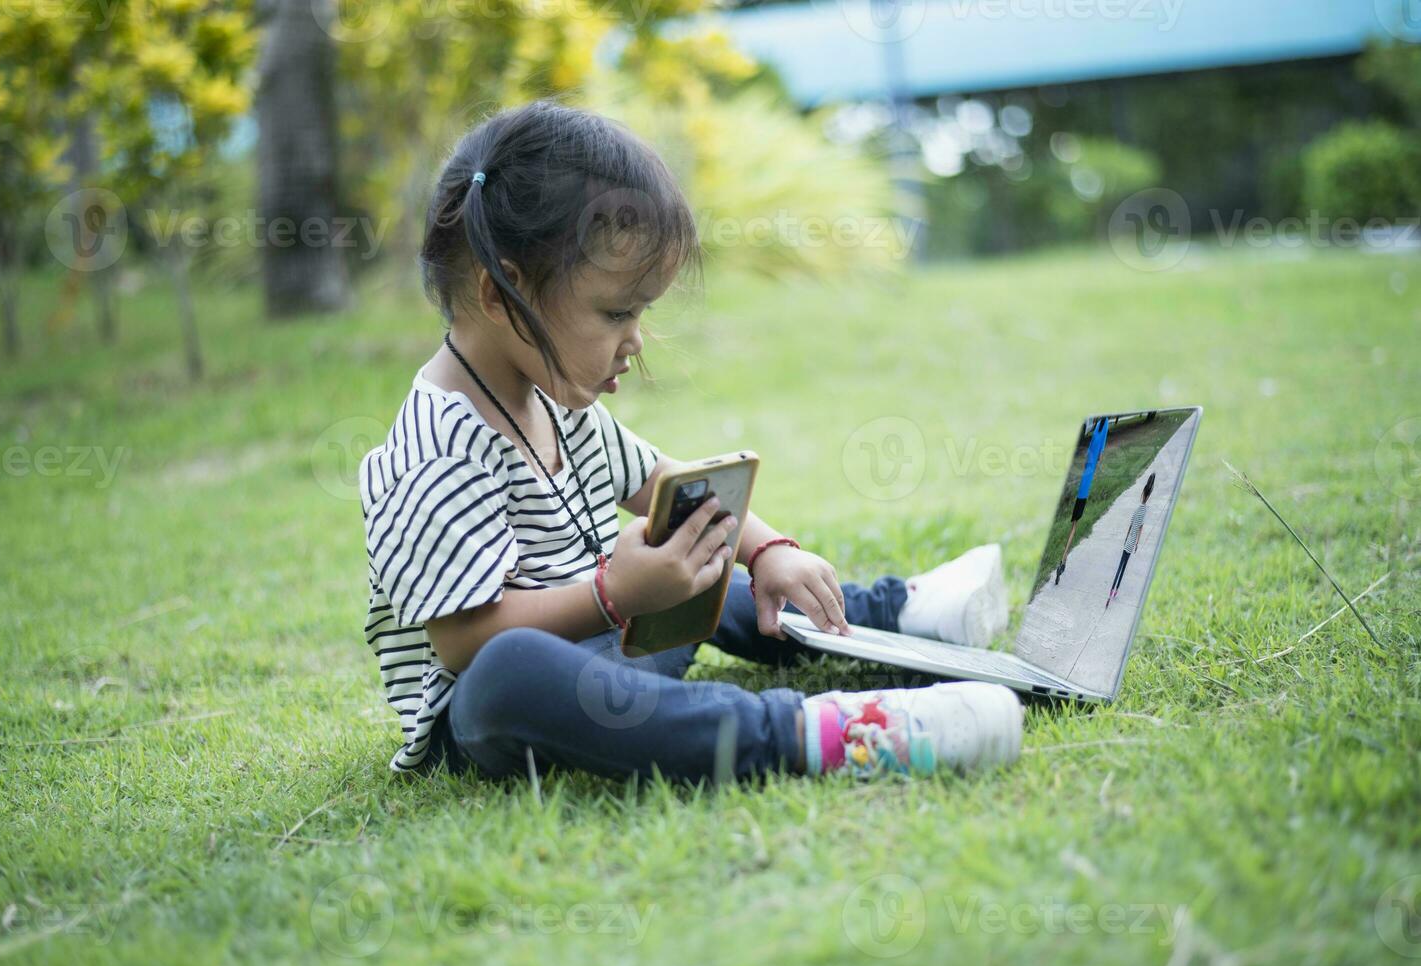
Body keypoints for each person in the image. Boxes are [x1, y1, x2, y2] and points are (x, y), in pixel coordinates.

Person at [359, 101, 1024, 785]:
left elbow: (658, 481)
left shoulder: (550, 400)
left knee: (698, 567)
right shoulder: (434, 452)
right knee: (509, 671)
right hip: (500, 717)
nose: (635, 339)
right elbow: (464, 639)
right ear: (500, 294)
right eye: (617, 312)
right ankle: (822, 734)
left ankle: (898, 615)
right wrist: (614, 595)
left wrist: (765, 549)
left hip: (609, 641)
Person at [1055, 416, 1108, 584]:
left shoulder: (1094, 434)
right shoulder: (1104, 426)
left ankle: (1064, 561)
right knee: (1074, 527)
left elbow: (1091, 455)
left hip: (1081, 490)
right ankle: (1062, 561)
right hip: (1084, 493)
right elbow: (1100, 457)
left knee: (1074, 525)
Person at [1106, 473, 1155, 608]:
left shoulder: (1137, 510)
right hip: (1132, 542)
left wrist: (1127, 538)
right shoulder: (1144, 511)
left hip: (1128, 541)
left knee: (1120, 566)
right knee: (1124, 567)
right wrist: (1137, 543)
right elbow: (1140, 527)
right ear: (1148, 496)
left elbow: (1132, 525)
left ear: (1142, 495)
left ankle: (1112, 589)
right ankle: (1116, 590)